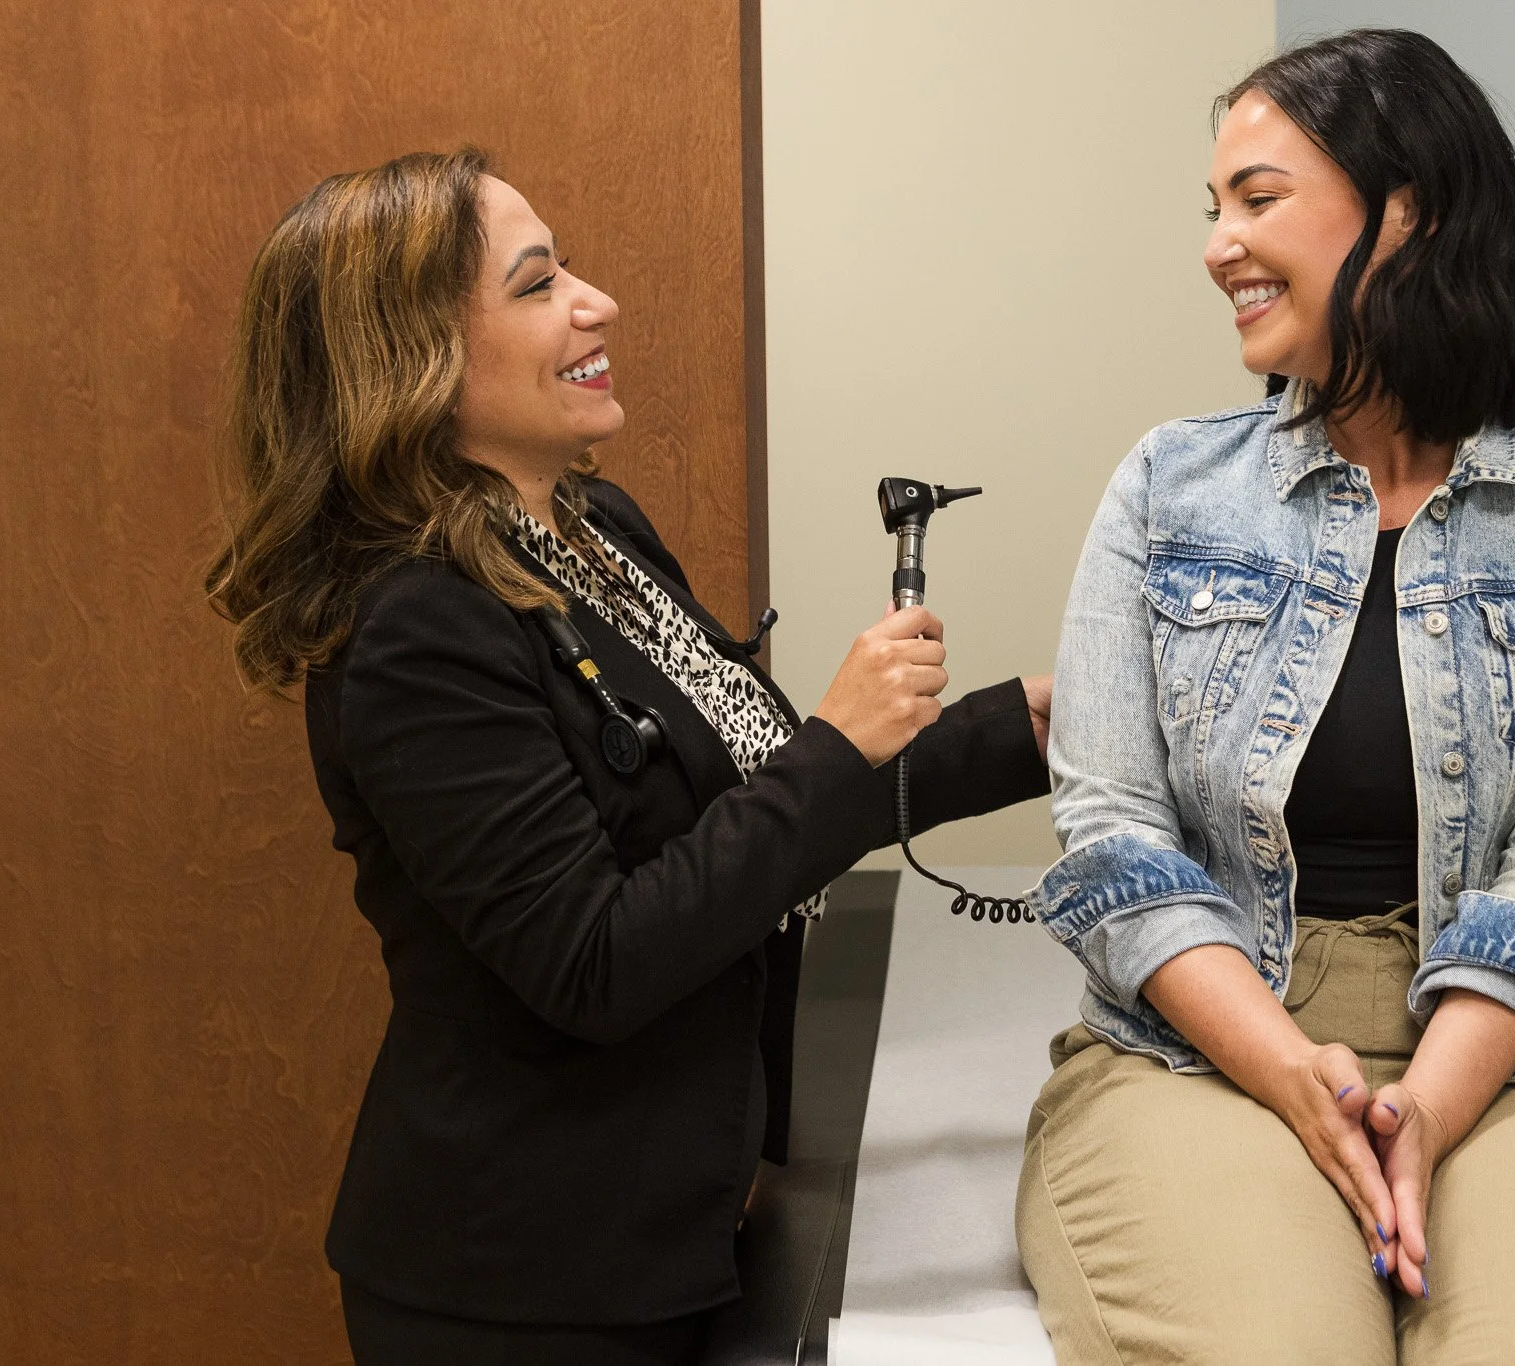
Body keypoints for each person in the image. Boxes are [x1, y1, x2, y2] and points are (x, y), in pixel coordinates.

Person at [205, 148, 1049, 1366]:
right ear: (417, 360)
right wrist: (832, 742)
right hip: (527, 1291)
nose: (596, 302)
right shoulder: (413, 627)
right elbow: (595, 959)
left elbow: (758, 801)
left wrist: (1030, 724)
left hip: (680, 1223)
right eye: (539, 285)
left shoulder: (590, 531)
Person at [1017, 29, 1515, 1365]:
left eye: (1257, 199)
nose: (1219, 244)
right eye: (1213, 208)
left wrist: (1427, 1110)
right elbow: (1113, 832)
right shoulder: (1168, 485)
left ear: (1407, 214)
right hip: (1204, 1045)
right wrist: (1291, 1070)